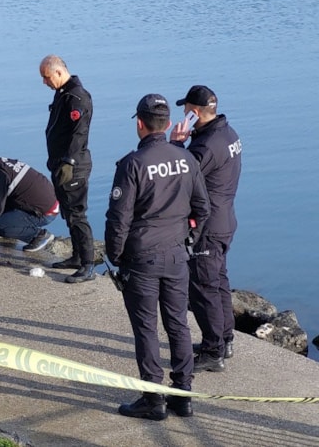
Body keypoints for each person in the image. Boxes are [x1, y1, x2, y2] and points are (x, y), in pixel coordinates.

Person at [105, 94, 210, 420]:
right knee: (179, 324)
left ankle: (153, 399)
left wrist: (116, 255)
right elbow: (203, 208)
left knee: (147, 329)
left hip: (142, 258)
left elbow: (117, 219)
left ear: (140, 124)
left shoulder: (133, 164)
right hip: (177, 254)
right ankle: (183, 395)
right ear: (166, 125)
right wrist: (188, 240)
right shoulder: (186, 160)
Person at [170, 85, 242, 372]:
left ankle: (214, 351)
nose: (184, 114)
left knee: (203, 288)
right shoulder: (229, 133)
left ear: (195, 112)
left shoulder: (206, 146)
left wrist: (176, 144)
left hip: (208, 227)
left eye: (186, 110)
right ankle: (225, 339)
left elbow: (182, 175)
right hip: (225, 219)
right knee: (219, 282)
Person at [39, 55, 95, 283]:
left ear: (59, 73)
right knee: (68, 214)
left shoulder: (77, 98)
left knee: (77, 214)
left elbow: (78, 133)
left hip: (74, 167)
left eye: (46, 77)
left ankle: (88, 264)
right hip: (60, 163)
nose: (45, 82)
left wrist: (68, 162)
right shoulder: (63, 93)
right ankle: (76, 256)